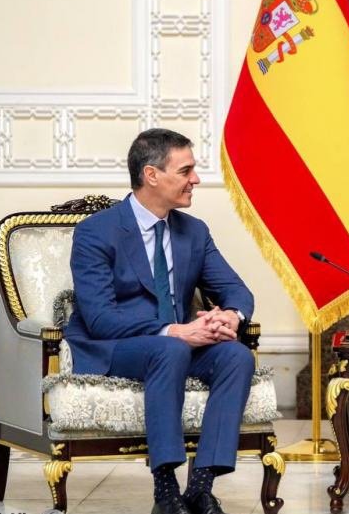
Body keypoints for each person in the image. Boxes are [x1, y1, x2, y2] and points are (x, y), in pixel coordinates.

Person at [65, 128, 255, 514]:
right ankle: (165, 492)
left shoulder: (194, 231)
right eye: (185, 171)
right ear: (151, 175)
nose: (195, 179)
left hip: (176, 348)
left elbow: (237, 290)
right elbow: (100, 319)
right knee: (169, 349)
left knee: (236, 356)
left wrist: (228, 317)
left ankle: (200, 488)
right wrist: (175, 332)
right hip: (116, 347)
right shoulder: (95, 232)